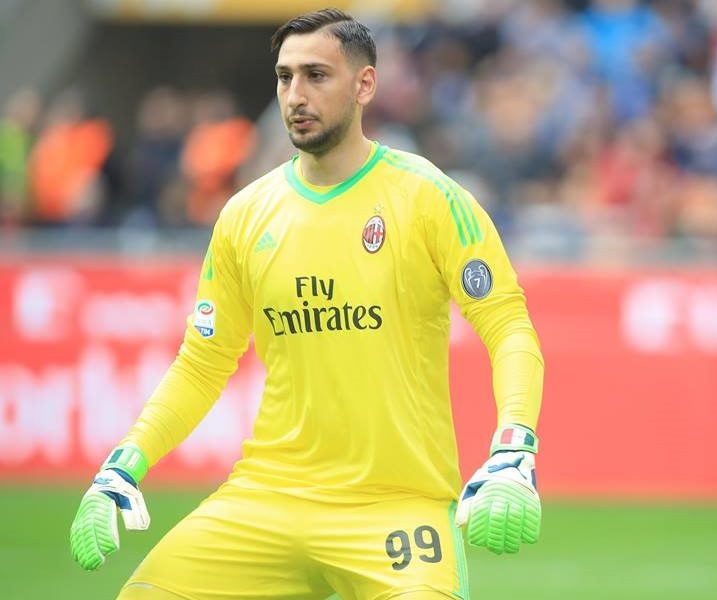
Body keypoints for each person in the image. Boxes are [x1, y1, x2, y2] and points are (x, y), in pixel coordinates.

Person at [68, 8, 544, 600]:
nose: (296, 94)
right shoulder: (245, 215)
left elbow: (507, 325)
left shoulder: (428, 197)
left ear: (365, 85)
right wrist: (123, 465)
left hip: (396, 507)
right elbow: (202, 362)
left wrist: (513, 448)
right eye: (284, 77)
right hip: (267, 498)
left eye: (316, 75)